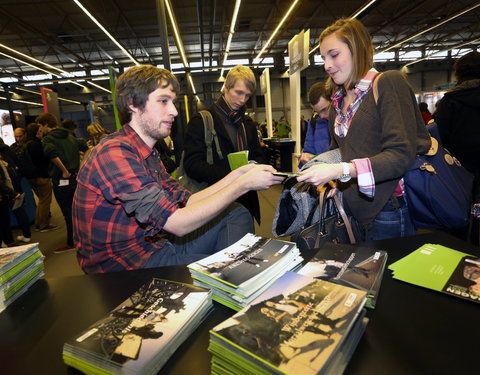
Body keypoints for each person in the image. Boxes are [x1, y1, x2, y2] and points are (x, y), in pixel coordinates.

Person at [72, 65, 284, 274]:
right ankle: (227, 279)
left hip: (155, 246)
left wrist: (235, 176)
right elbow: (176, 223)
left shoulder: (148, 153)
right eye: (163, 101)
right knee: (236, 268)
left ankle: (227, 279)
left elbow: (186, 199)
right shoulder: (115, 153)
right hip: (128, 265)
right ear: (132, 104)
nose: (174, 111)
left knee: (237, 212)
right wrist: (243, 184)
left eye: (172, 102)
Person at [297, 18, 431, 241]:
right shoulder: (337, 103)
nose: (327, 65)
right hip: (352, 206)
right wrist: (324, 170)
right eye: (323, 58)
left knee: (388, 274)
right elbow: (341, 150)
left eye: (334, 54)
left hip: (388, 207)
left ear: (356, 49)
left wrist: (340, 170)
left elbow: (400, 155)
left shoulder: (388, 83)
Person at [183, 65, 267, 224]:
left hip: (246, 201)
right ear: (226, 88)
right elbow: (192, 165)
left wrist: (255, 169)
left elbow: (258, 155)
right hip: (214, 203)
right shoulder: (201, 122)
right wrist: (233, 176)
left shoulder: (247, 124)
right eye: (238, 92)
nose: (242, 100)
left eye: (247, 95)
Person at [37, 112, 89, 252]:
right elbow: (87, 148)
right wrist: (81, 166)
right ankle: (84, 239)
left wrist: (64, 170)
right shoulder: (69, 135)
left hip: (61, 179)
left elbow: (51, 154)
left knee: (67, 213)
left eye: (40, 126)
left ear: (46, 124)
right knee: (78, 210)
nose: (40, 129)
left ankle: (72, 242)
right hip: (75, 178)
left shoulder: (48, 139)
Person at [435, 51, 480, 203]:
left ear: (458, 72)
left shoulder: (450, 100)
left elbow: (441, 134)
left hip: (460, 161)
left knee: (464, 201)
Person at [25, 122, 56, 232]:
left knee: (41, 200)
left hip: (31, 176)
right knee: (45, 201)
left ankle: (38, 224)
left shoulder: (27, 143)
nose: (41, 132)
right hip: (41, 175)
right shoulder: (36, 144)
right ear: (37, 132)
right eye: (40, 130)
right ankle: (43, 225)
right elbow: (42, 159)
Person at [298, 82, 331, 167]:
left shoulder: (345, 121)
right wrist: (304, 161)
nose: (322, 116)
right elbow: (309, 151)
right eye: (317, 112)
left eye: (324, 110)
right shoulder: (314, 121)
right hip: (322, 176)